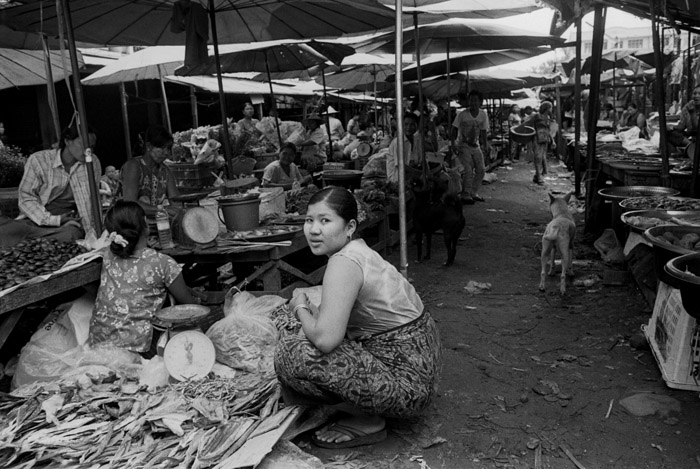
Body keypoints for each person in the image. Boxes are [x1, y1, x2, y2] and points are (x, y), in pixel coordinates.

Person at [274, 186, 442, 449]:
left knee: (291, 351)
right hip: (418, 374)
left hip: (407, 388)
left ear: (350, 226)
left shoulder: (343, 263)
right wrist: (306, 314)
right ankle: (361, 406)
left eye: (325, 220)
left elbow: (327, 340)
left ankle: (367, 418)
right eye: (309, 220)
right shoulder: (359, 252)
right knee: (298, 330)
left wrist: (298, 307)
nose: (314, 230)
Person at [89, 200, 199, 355]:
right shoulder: (163, 263)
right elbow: (189, 306)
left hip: (98, 343)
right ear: (145, 225)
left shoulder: (108, 255)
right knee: (175, 314)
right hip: (137, 349)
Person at [17, 123, 101, 242]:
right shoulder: (39, 160)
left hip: (71, 220)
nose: (88, 151)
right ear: (67, 141)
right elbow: (26, 198)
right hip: (38, 219)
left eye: (92, 147)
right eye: (84, 145)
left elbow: (92, 201)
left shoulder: (92, 162)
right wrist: (55, 220)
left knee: (71, 234)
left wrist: (91, 232)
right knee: (10, 231)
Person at [121, 125, 179, 218]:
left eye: (168, 148)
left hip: (154, 223)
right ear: (148, 146)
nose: (166, 153)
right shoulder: (133, 166)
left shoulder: (166, 171)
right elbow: (130, 203)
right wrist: (163, 210)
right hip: (128, 224)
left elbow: (176, 202)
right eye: (161, 148)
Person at [452, 90, 490, 204]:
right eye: (471, 100)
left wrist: (486, 145)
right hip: (463, 145)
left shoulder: (483, 114)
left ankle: (473, 192)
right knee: (468, 170)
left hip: (476, 145)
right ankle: (465, 194)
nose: (473, 103)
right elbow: (454, 129)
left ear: (480, 102)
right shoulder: (462, 114)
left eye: (475, 100)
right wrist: (452, 144)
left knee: (481, 170)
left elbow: (483, 131)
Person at [386, 112, 423, 185]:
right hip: (397, 180)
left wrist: (427, 171)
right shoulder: (397, 142)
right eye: (406, 124)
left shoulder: (417, 140)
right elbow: (400, 165)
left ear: (417, 126)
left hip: (411, 177)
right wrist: (420, 173)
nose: (408, 127)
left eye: (412, 124)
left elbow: (421, 160)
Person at [524, 101, 554, 185]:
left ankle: (537, 176)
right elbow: (527, 123)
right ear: (547, 108)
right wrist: (531, 133)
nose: (551, 109)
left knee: (543, 157)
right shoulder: (536, 116)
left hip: (545, 139)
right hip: (536, 138)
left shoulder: (548, 117)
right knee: (538, 157)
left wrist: (552, 140)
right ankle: (539, 177)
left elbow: (549, 130)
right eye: (550, 107)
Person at [671, 85, 700, 150]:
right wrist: (671, 127)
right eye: (695, 93)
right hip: (690, 137)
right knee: (670, 134)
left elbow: (697, 130)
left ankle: (692, 148)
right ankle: (690, 146)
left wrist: (693, 114)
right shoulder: (688, 106)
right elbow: (681, 126)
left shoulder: (691, 109)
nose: (696, 96)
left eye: (699, 94)